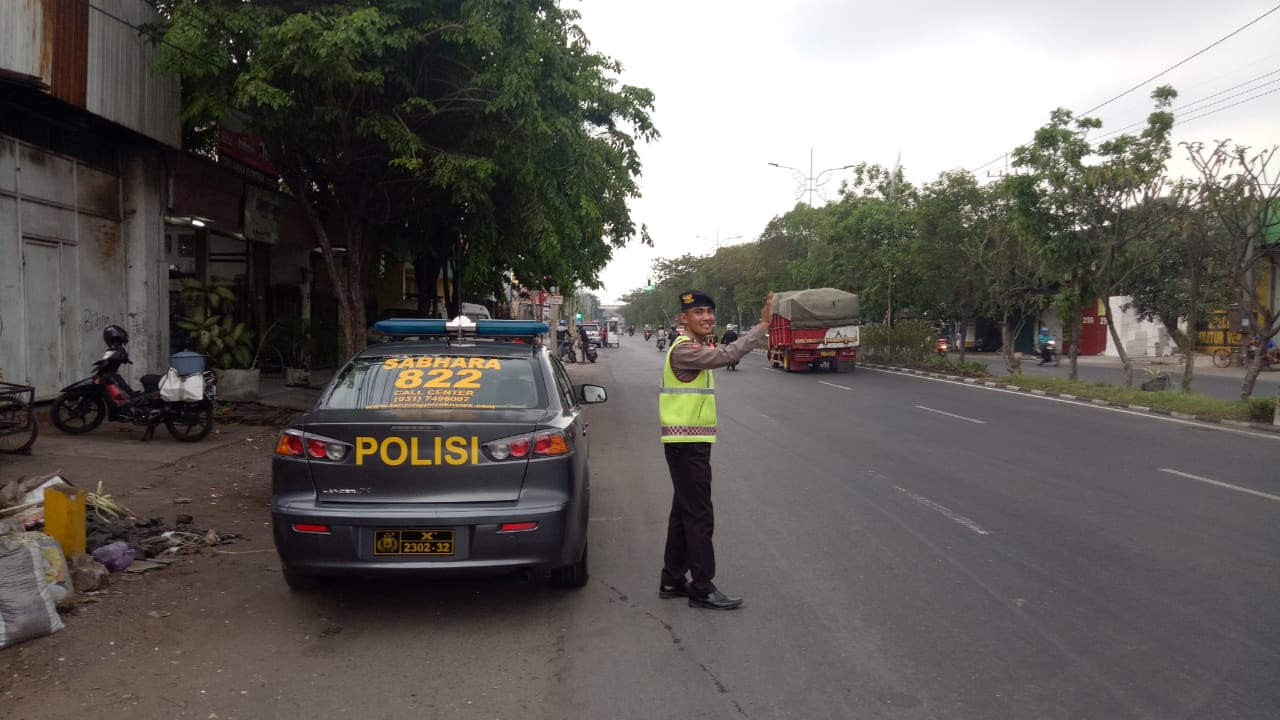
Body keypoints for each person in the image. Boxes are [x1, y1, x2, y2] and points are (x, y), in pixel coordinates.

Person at [658, 289, 772, 610]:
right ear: (684, 318)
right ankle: (702, 587)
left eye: (710, 312)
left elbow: (721, 349)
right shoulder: (684, 351)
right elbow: (728, 355)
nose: (707, 317)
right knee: (699, 515)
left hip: (688, 443)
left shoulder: (694, 346)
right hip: (686, 445)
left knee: (683, 511)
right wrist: (763, 325)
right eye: (699, 313)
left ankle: (672, 578)